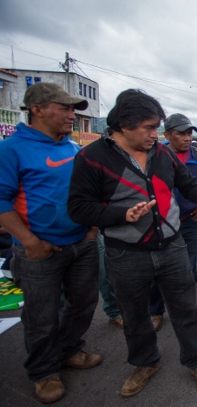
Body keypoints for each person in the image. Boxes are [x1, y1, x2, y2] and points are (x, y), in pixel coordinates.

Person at [67, 89, 197, 397]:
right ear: (124, 125)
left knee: (186, 310)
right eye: (149, 128)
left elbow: (187, 184)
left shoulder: (162, 154)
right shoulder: (92, 158)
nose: (156, 134)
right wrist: (121, 214)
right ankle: (145, 362)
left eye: (157, 127)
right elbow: (78, 207)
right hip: (126, 254)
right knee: (135, 315)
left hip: (173, 247)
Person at [0, 83, 101, 403]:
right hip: (38, 252)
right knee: (41, 315)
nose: (73, 115)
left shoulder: (72, 149)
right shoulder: (12, 149)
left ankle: (70, 350)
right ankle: (43, 372)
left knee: (84, 304)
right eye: (65, 108)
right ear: (38, 109)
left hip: (81, 244)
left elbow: (90, 192)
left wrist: (92, 229)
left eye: (74, 110)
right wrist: (30, 241)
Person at [148, 113, 197, 330]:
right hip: (159, 224)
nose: (187, 138)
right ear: (167, 135)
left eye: (190, 133)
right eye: (181, 133)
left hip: (190, 221)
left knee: (186, 269)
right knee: (156, 270)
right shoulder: (153, 155)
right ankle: (156, 311)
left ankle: (185, 312)